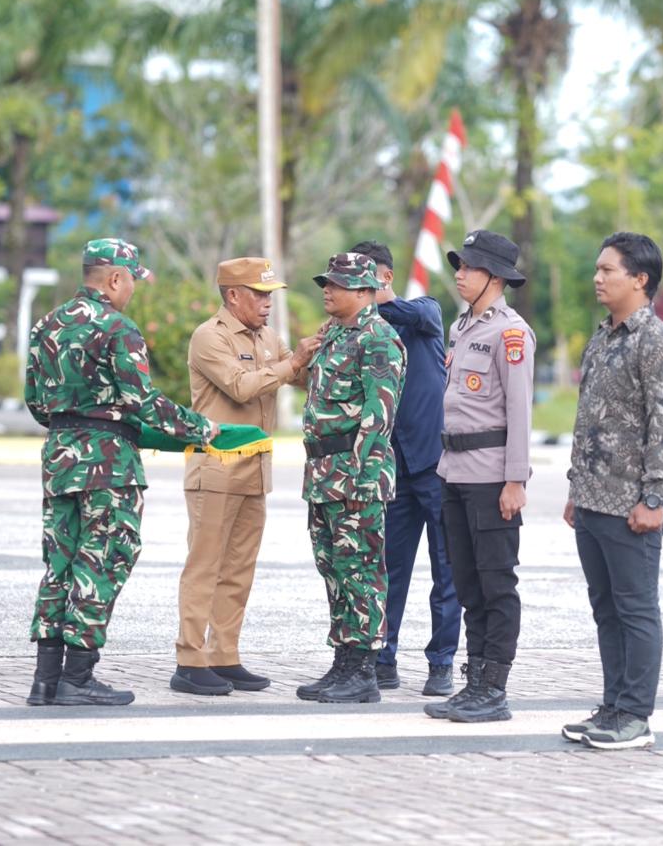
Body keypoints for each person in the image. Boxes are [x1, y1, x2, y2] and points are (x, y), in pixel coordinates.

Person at [24, 238, 219, 707]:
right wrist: (201, 427)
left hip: (59, 458)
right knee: (103, 559)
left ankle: (46, 679)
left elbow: (35, 402)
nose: (132, 289)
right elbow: (143, 403)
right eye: (132, 279)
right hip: (108, 466)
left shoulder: (46, 325)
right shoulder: (118, 328)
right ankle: (78, 678)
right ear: (114, 279)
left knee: (60, 565)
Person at [171, 257, 321, 696]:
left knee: (238, 568)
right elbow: (240, 386)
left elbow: (299, 379)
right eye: (259, 294)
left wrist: (317, 355)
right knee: (205, 566)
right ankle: (189, 658)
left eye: (270, 294)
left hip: (254, 468)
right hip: (215, 467)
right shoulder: (209, 337)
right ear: (232, 295)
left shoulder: (267, 337)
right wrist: (291, 362)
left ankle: (224, 654)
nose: (267, 303)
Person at [561, 231, 663, 750]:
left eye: (608, 270)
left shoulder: (657, 343)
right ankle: (612, 707)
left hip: (632, 506)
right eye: (597, 268)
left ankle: (635, 715)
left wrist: (654, 498)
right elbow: (589, 417)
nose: (597, 277)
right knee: (606, 608)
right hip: (591, 500)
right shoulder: (605, 336)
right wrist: (574, 487)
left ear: (640, 279)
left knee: (636, 609)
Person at [424, 229, 536, 724]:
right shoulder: (463, 326)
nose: (460, 274)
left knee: (496, 584)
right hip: (454, 471)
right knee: (466, 583)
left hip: (492, 477)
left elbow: (520, 411)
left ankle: (494, 686)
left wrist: (516, 481)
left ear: (495, 276)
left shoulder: (510, 333)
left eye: (468, 266)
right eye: (459, 265)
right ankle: (474, 682)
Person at [349, 240, 460, 697]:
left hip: (435, 466)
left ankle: (441, 662)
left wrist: (378, 298)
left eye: (360, 277)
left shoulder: (424, 312)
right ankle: (384, 656)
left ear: (384, 277)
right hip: (392, 468)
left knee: (446, 570)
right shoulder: (358, 331)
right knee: (387, 569)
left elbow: (417, 315)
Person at [296, 253, 405, 704]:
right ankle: (343, 661)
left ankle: (363, 670)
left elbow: (378, 418)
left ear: (365, 292)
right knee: (335, 569)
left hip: (354, 476)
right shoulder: (335, 336)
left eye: (338, 284)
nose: (328, 289)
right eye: (326, 282)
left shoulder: (378, 339)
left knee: (361, 571)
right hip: (324, 474)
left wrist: (361, 481)